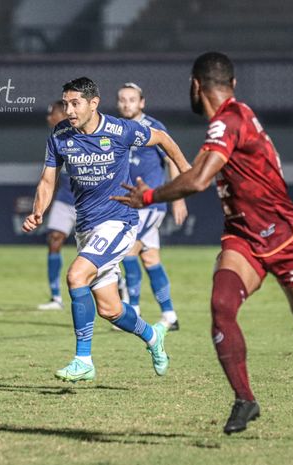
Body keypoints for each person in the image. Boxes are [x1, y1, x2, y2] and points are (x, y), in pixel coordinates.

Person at [112, 52, 293, 434]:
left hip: (286, 236)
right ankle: (245, 399)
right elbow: (199, 170)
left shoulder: (228, 121)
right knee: (221, 306)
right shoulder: (230, 118)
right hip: (243, 236)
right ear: (233, 84)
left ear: (196, 86)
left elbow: (197, 181)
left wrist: (148, 197)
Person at [23, 77, 190, 382]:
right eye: (65, 104)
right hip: (86, 226)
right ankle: (153, 336)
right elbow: (48, 180)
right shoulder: (59, 135)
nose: (69, 110)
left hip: (119, 222)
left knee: (76, 276)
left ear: (93, 103)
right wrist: (38, 210)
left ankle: (83, 359)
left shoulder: (120, 130)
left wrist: (187, 175)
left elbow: (164, 140)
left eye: (75, 104)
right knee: (110, 309)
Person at [117, 82, 188, 330]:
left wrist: (177, 197)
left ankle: (132, 311)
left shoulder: (154, 128)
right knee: (150, 259)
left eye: (132, 99)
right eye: (123, 99)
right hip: (130, 205)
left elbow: (171, 161)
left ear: (142, 102)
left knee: (127, 252)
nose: (127, 103)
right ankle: (169, 315)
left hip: (150, 205)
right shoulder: (118, 128)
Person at [38, 101, 77, 310]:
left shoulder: (82, 131)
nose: (48, 118)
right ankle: (56, 298)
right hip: (64, 199)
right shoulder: (56, 138)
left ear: (62, 113)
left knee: (95, 252)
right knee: (54, 240)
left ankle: (121, 289)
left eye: (50, 113)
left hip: (86, 201)